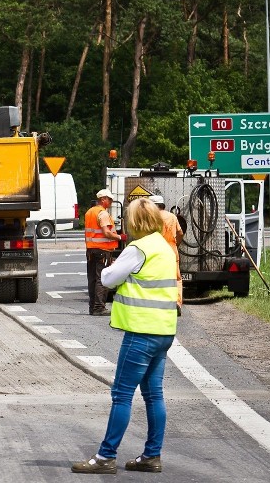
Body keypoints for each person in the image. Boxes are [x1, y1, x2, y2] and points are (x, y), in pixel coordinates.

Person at [71, 198, 178, 474]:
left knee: (122, 394)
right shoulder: (164, 247)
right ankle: (151, 455)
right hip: (164, 331)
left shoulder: (137, 248)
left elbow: (107, 279)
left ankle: (106, 457)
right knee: (154, 394)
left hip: (141, 332)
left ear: (133, 223)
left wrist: (115, 265)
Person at [84, 189, 125, 316]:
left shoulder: (89, 212)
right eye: (110, 199)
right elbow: (106, 233)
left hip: (91, 250)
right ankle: (99, 308)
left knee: (92, 279)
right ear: (103, 199)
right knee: (102, 279)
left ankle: (92, 307)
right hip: (102, 251)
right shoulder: (103, 214)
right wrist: (120, 237)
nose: (111, 202)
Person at [150, 195, 184, 311]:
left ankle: (158, 302)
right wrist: (176, 244)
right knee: (176, 278)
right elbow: (180, 233)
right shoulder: (172, 217)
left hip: (155, 250)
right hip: (171, 249)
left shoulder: (150, 218)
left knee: (156, 276)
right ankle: (177, 303)